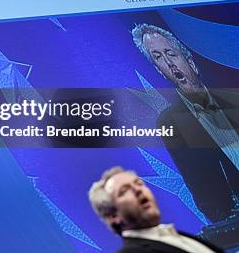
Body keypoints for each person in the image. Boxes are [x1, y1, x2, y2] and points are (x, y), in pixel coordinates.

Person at [131, 23, 239, 222]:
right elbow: (201, 188)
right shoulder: (170, 123)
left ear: (191, 62)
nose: (169, 63)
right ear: (160, 72)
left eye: (170, 53)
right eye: (158, 57)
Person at [89, 166, 223, 252]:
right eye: (124, 191)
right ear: (113, 216)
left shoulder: (181, 236)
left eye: (139, 184)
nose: (137, 190)